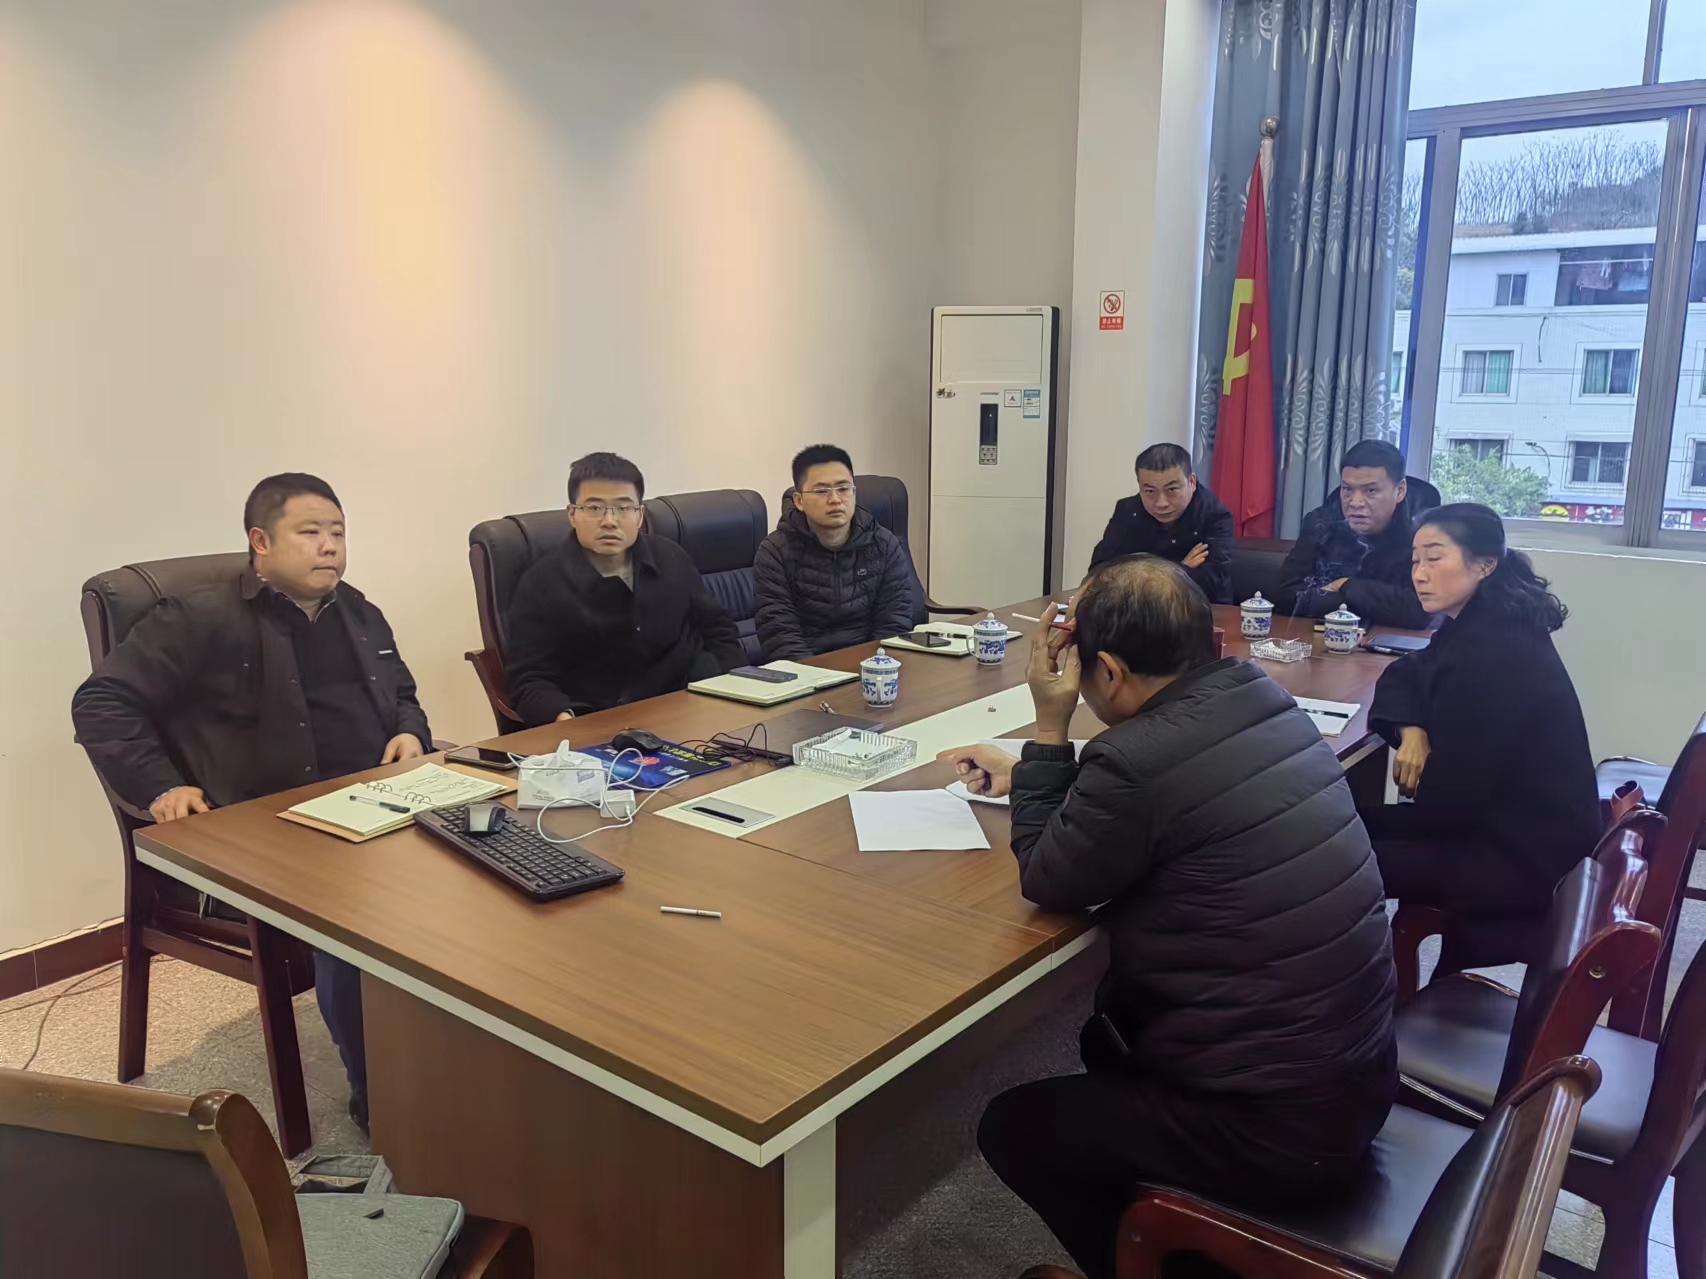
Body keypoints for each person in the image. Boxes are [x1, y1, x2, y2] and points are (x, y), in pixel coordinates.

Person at [938, 557, 1396, 1279]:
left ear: (1108, 672)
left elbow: (1051, 877)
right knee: (1101, 1042)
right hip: (1354, 1076)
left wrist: (1050, 726)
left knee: (1015, 1126)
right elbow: (1182, 776)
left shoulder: (1133, 762)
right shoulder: (1264, 697)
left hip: (1274, 1128)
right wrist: (1039, 772)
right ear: (1208, 641)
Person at [72, 473, 430, 1133]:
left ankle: (468, 1057)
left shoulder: (357, 610)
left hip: (377, 802)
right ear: (260, 542)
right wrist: (161, 786)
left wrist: (409, 729)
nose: (330, 546)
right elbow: (101, 703)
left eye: (338, 532)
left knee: (491, 859)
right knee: (356, 921)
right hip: (271, 828)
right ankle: (381, 1094)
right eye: (310, 531)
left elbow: (402, 689)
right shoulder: (199, 617)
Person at [1364, 503, 1600, 925]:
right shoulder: (1475, 622)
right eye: (1415, 560)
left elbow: (1451, 800)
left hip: (1523, 859)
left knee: (1334, 857)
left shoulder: (1497, 651)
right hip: (1489, 824)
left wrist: (1402, 808)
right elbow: (1409, 669)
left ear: (1485, 564)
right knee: (1340, 827)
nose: (1419, 574)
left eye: (1434, 558)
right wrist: (1411, 731)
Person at [504, 452, 745, 726]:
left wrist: (734, 691)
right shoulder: (541, 584)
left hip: (691, 707)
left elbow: (718, 629)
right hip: (601, 724)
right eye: (594, 508)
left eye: (623, 508)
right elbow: (530, 678)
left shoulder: (670, 558)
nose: (609, 521)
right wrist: (564, 719)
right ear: (572, 514)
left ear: (639, 516)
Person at [753, 444, 916, 660]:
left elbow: (894, 623)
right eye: (822, 491)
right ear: (799, 501)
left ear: (854, 493)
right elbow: (779, 636)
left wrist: (876, 668)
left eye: (843, 489)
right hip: (805, 670)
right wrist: (818, 676)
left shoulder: (883, 544)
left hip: (873, 667)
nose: (835, 499)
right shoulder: (775, 552)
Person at [1277, 438, 1432, 628]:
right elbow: (1283, 596)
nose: (1355, 502)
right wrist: (1361, 602)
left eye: (1371, 491)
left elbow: (1420, 610)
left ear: (1400, 491)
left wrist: (1345, 585)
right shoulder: (1321, 524)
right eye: (1347, 489)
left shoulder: (1421, 534)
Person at [1087, 442, 1234, 602]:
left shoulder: (1214, 515)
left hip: (1200, 607)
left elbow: (1213, 583)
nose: (1161, 503)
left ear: (1191, 482)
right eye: (1150, 491)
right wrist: (1176, 569)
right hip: (1137, 606)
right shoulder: (1128, 511)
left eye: (1172, 489)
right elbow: (1098, 573)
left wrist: (1136, 572)